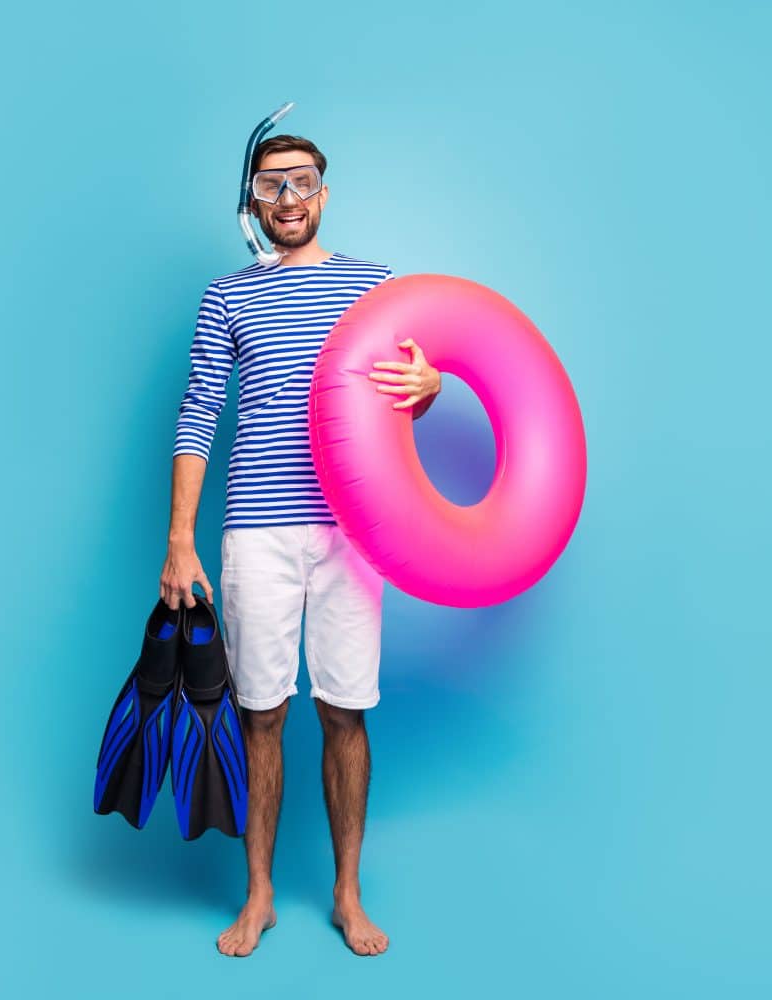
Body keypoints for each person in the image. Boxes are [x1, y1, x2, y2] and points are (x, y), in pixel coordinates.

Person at [160, 135, 442, 958]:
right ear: (251, 204)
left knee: (345, 710)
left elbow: (405, 396)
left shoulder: (374, 285)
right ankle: (259, 896)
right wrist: (181, 540)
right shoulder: (227, 297)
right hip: (256, 530)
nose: (288, 197)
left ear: (325, 192)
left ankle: (348, 895)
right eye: (270, 185)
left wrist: (432, 388)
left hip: (354, 533)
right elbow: (197, 413)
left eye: (303, 181)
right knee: (261, 715)